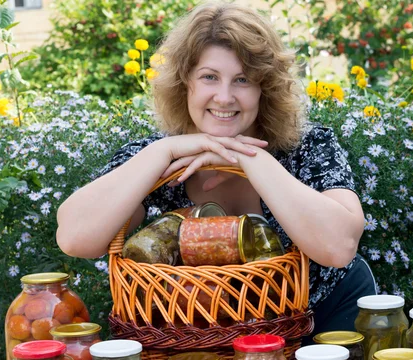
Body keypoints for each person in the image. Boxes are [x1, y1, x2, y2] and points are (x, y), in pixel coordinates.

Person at [56, 1, 376, 341]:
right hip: (200, 340)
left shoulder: (308, 146)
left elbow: (339, 247)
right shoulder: (155, 156)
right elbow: (75, 238)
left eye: (242, 80)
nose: (224, 97)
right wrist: (165, 150)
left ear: (264, 88)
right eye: (209, 77)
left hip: (324, 322)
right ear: (184, 83)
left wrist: (252, 159)